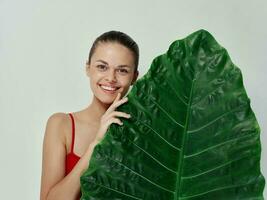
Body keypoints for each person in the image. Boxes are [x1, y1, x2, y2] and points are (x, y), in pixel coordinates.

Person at [40, 30, 139, 200]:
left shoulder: (142, 133)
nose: (110, 78)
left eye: (122, 71)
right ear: (88, 68)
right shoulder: (61, 124)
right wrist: (96, 144)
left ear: (134, 77)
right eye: (102, 67)